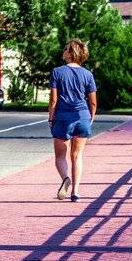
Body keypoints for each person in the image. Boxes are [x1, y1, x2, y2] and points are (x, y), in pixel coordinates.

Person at [48, 39, 97, 203]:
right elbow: (93, 102)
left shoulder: (57, 72)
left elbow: (53, 100)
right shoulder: (88, 74)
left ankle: (65, 178)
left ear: (70, 53)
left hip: (62, 117)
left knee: (60, 157)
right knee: (77, 156)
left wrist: (51, 118)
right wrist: (91, 118)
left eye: (65, 49)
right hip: (82, 117)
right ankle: (75, 192)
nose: (63, 51)